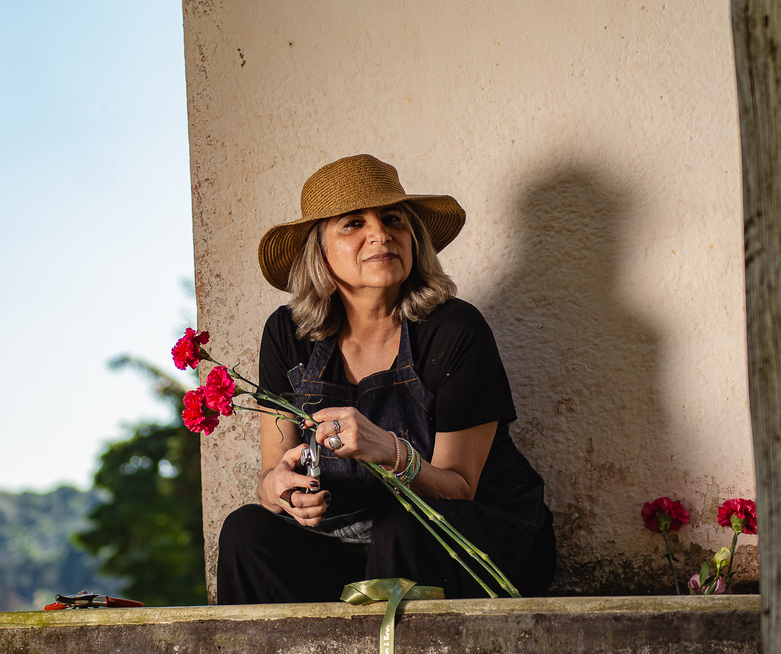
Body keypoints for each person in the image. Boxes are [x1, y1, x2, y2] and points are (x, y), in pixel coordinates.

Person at [216, 154, 556, 604]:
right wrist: (281, 491)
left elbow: (460, 487)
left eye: (393, 218)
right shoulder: (288, 334)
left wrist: (393, 452)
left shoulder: (454, 330)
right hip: (347, 540)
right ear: (318, 251)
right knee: (246, 532)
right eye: (353, 223)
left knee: (400, 528)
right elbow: (272, 470)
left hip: (468, 538)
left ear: (412, 236)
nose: (380, 233)